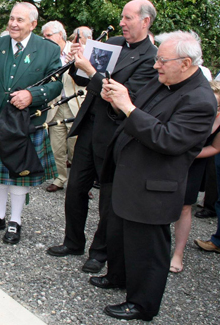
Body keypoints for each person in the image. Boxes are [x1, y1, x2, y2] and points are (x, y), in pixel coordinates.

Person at [91, 30, 216, 321]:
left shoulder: (200, 100)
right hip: (129, 175)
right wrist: (117, 101)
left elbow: (168, 139)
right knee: (121, 234)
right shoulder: (164, 80)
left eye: (162, 60)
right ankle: (118, 277)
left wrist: (127, 106)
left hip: (154, 186)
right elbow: (135, 111)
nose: (156, 65)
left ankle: (142, 304)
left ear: (185, 63)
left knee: (147, 247)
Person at [47, 0, 159, 273]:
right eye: (122, 17)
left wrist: (90, 69)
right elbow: (83, 80)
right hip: (89, 126)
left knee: (108, 198)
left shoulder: (150, 57)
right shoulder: (115, 43)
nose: (121, 22)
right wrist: (77, 61)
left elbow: (122, 96)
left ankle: (100, 252)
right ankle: (73, 241)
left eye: (128, 18)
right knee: (75, 189)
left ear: (145, 22)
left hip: (116, 134)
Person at [0, 2, 62, 244]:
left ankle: (16, 220)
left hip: (26, 122)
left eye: (20, 20)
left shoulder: (48, 50)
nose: (13, 23)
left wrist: (32, 96)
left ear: (33, 24)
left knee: (19, 174)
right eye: (12, 18)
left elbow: (56, 84)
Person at [170, 81, 220, 272]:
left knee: (184, 207)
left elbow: (215, 147)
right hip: (169, 157)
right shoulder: (188, 107)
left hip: (194, 161)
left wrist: (189, 154)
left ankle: (178, 253)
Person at [41, 21, 86, 192]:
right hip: (55, 106)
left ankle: (81, 183)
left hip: (76, 105)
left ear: (61, 34)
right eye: (43, 36)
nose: (45, 39)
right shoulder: (47, 54)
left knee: (77, 148)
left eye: (48, 35)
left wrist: (76, 62)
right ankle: (59, 178)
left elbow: (87, 77)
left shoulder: (76, 49)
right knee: (56, 146)